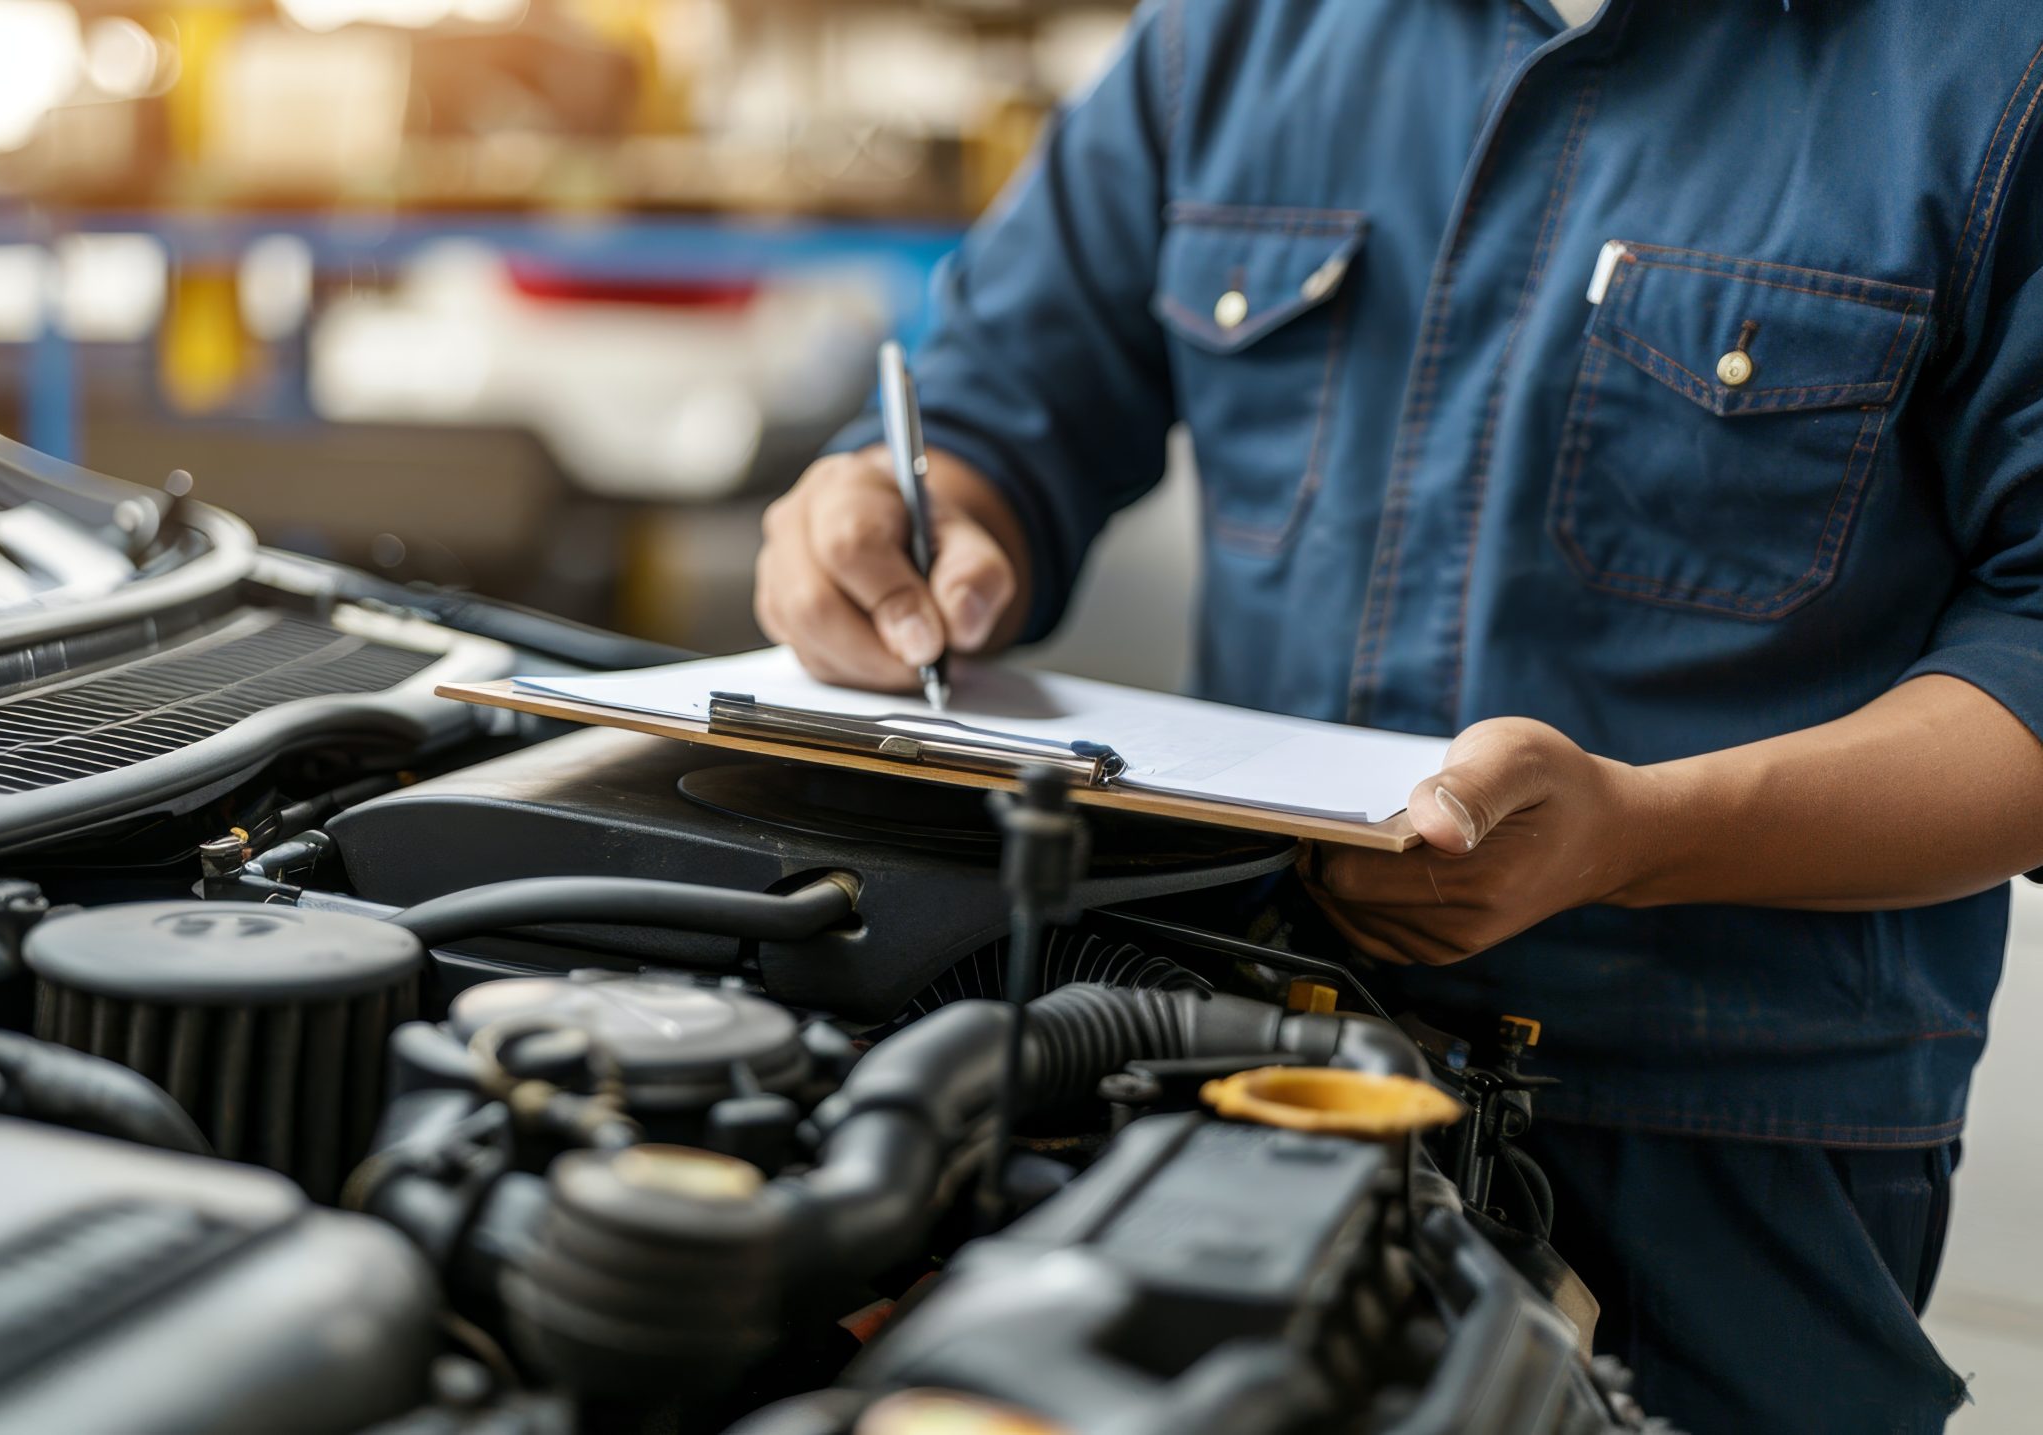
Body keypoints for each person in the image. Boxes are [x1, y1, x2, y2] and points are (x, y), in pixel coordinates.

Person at [753, 2, 2043, 1429]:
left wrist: (1639, 834)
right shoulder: (1233, 35)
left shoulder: (1994, 67)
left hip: (1722, 1159)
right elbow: (997, 398)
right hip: (1215, 1064)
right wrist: (907, 511)